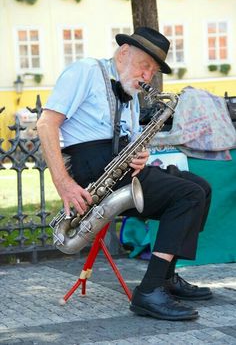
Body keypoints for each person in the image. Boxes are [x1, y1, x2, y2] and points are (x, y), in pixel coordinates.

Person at [37, 27, 212, 321]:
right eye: (145, 66)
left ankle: (166, 278)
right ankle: (149, 291)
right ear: (123, 53)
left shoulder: (130, 94)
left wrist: (141, 156)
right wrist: (64, 184)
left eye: (153, 71)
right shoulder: (86, 71)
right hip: (91, 169)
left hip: (119, 166)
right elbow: (46, 124)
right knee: (188, 195)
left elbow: (129, 141)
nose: (147, 76)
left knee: (200, 187)